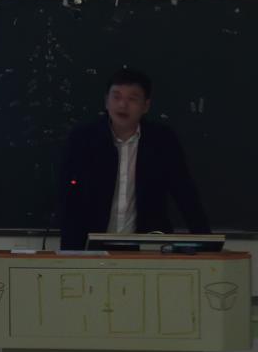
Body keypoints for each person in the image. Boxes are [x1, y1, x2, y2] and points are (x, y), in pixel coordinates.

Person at [58, 68, 210, 250]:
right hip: (91, 248)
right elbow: (68, 199)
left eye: (132, 99)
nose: (122, 105)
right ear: (106, 101)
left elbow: (185, 192)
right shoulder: (83, 139)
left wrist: (207, 243)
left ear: (145, 106)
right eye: (116, 97)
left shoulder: (162, 140)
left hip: (147, 248)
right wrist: (70, 253)